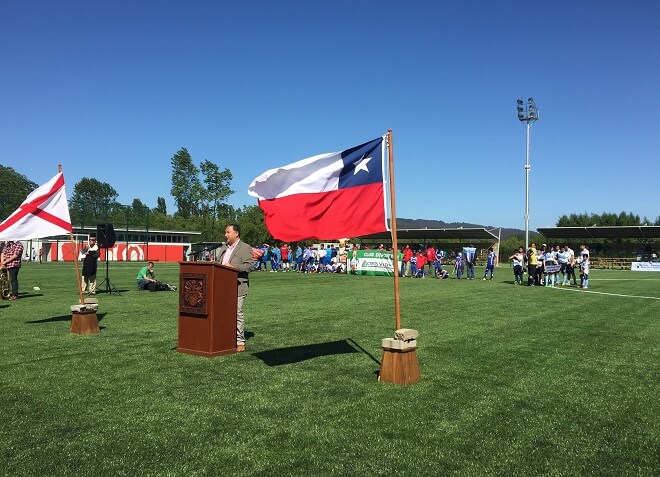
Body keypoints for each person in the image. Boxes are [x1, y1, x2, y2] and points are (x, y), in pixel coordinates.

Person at [216, 223, 253, 352]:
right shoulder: (223, 248)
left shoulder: (245, 248)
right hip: (222, 287)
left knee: (237, 313)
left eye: (228, 232)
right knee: (222, 313)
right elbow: (218, 264)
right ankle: (224, 336)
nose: (225, 235)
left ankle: (239, 341)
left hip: (238, 286)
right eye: (225, 232)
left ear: (236, 233)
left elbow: (248, 266)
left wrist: (233, 267)